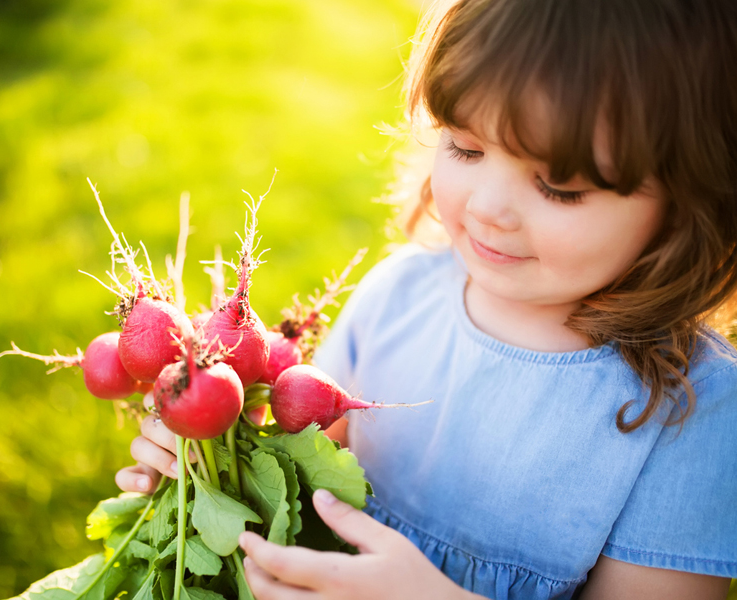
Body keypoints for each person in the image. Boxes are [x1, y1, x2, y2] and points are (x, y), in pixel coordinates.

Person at [115, 0, 737, 597]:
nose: (488, 208)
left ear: (688, 201)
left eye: (558, 186)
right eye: (465, 147)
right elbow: (301, 467)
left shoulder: (695, 409)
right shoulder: (399, 294)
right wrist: (212, 459)